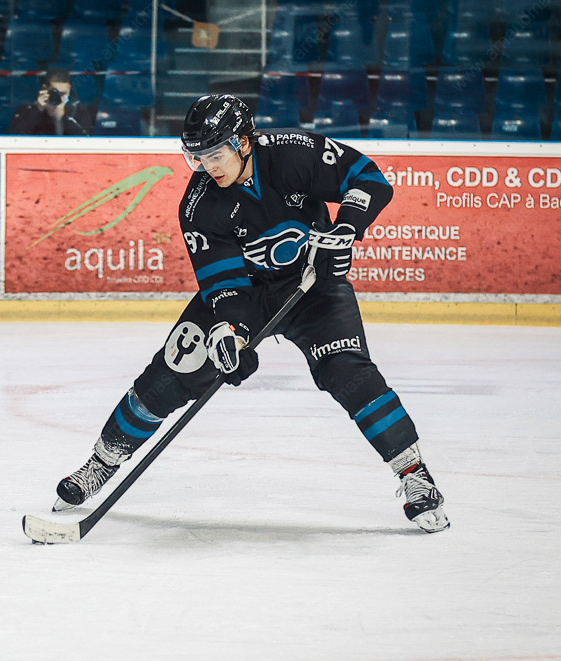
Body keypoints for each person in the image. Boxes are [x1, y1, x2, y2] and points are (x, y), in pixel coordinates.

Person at [54, 94, 449, 534]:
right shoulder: (199, 205)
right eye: (197, 157)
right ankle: (101, 462)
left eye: (215, 154)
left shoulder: (293, 153)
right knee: (171, 373)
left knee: (348, 372)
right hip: (248, 294)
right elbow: (224, 284)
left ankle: (414, 474)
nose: (207, 166)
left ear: (243, 142)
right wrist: (232, 332)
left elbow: (368, 177)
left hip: (312, 285)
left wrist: (347, 228)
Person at [7, 67, 93, 136]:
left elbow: (85, 138)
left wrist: (63, 117)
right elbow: (16, 136)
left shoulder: (78, 110)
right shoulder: (28, 109)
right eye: (55, 93)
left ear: (69, 88)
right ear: (45, 88)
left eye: (63, 94)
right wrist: (37, 110)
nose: (60, 98)